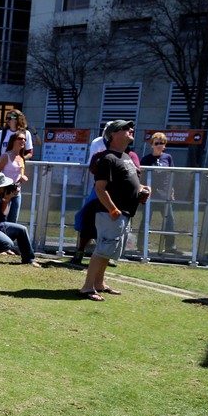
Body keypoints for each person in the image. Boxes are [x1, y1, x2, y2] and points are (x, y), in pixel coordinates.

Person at [78, 120, 150, 301]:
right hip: (110, 213)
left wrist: (142, 189)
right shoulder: (108, 158)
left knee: (108, 250)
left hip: (124, 212)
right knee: (103, 249)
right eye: (125, 128)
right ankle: (87, 287)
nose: (131, 130)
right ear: (113, 134)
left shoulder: (126, 157)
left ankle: (99, 283)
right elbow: (100, 188)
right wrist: (113, 209)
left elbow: (130, 182)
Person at [140, 132, 179, 253]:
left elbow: (171, 175)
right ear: (152, 145)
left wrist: (171, 190)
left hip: (164, 194)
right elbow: (141, 176)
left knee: (169, 220)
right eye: (156, 143)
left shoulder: (168, 157)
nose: (159, 145)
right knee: (146, 220)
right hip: (150, 194)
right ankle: (141, 245)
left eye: (162, 143)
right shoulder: (146, 159)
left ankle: (170, 246)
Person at [0, 132, 29, 222]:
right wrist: (2, 188)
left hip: (17, 192)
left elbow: (20, 174)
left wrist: (23, 178)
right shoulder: (6, 156)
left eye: (25, 139)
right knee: (3, 219)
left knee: (13, 221)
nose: (23, 141)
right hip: (5, 192)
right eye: (20, 139)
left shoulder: (21, 158)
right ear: (13, 141)